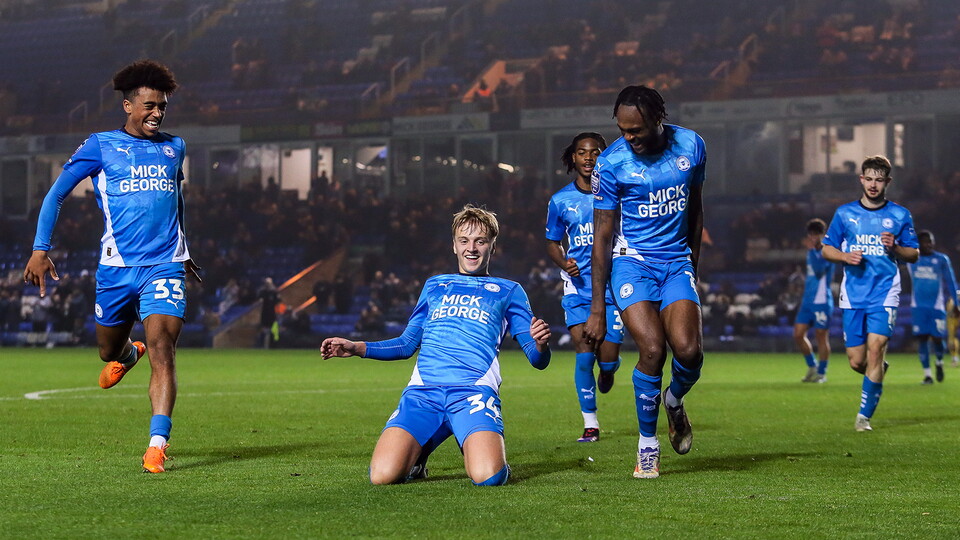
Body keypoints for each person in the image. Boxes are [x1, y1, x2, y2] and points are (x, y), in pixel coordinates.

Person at [22, 60, 200, 473]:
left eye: (163, 107)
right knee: (107, 351)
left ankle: (157, 444)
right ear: (127, 105)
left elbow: (175, 202)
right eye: (149, 105)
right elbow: (56, 195)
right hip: (116, 270)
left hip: (164, 267)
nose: (157, 113)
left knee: (165, 350)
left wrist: (184, 250)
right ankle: (127, 354)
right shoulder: (100, 145)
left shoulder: (176, 147)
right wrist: (39, 248)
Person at [320, 205, 551, 486]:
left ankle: (474, 439)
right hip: (423, 394)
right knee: (382, 476)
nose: (472, 248)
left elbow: (537, 359)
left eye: (480, 241)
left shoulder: (509, 290)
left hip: (472, 394)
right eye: (464, 241)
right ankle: (420, 455)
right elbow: (406, 345)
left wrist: (540, 344)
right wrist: (356, 347)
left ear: (493, 245)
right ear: (454, 246)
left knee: (488, 478)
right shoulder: (434, 286)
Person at [583, 85, 705, 479]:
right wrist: (597, 308)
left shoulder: (691, 146)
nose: (627, 137)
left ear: (658, 120)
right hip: (631, 264)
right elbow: (602, 236)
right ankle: (647, 447)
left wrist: (693, 270)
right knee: (653, 350)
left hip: (676, 263)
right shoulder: (611, 163)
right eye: (622, 129)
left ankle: (673, 401)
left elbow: (696, 210)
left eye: (635, 130)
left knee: (688, 353)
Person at [821, 155, 918, 432]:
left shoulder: (899, 215)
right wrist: (844, 257)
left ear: (887, 182)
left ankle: (863, 417)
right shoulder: (844, 214)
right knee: (857, 361)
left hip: (885, 292)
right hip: (853, 294)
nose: (873, 184)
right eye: (869, 178)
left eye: (879, 180)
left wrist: (896, 248)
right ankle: (876, 372)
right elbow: (826, 248)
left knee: (876, 350)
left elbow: (913, 254)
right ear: (861, 179)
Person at [545, 132, 623, 443]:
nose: (588, 158)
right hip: (577, 289)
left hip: (614, 288)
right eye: (582, 152)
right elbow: (552, 242)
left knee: (607, 358)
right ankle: (591, 424)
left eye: (594, 152)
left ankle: (609, 371)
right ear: (573, 158)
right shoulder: (560, 200)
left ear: (603, 157)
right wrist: (564, 263)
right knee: (583, 353)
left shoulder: (618, 195)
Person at [906, 230, 959, 384]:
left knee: (937, 338)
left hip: (937, 307)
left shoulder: (941, 259)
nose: (929, 244)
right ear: (919, 243)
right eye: (926, 241)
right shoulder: (912, 259)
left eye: (931, 241)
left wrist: (957, 303)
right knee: (922, 339)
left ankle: (940, 362)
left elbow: (951, 281)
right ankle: (928, 375)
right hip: (918, 307)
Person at [793, 218, 836, 383]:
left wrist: (812, 251)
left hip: (822, 300)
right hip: (808, 300)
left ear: (822, 235)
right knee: (798, 335)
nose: (813, 237)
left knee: (821, 337)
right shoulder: (811, 251)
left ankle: (822, 373)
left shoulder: (827, 251)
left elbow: (818, 272)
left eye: (816, 234)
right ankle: (812, 365)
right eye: (811, 234)